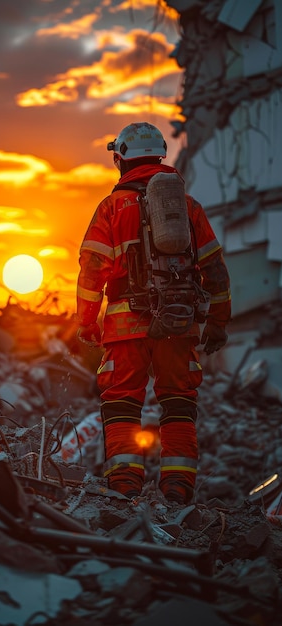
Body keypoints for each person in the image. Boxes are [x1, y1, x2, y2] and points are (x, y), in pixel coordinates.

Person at [76, 122, 231, 504]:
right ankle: (178, 491)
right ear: (161, 156)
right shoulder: (188, 208)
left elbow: (92, 269)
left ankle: (125, 489)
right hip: (178, 324)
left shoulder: (112, 207)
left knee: (122, 405)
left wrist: (86, 322)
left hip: (125, 327)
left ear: (120, 160)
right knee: (178, 403)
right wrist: (217, 322)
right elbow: (215, 270)